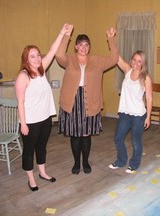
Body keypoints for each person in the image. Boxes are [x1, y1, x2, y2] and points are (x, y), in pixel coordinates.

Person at [15, 23, 73, 191]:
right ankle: (31, 178)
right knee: (29, 150)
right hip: (30, 121)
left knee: (41, 147)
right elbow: (20, 102)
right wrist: (23, 124)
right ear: (26, 60)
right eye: (32, 56)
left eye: (38, 55)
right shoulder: (23, 76)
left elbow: (53, 50)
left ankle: (42, 172)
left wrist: (62, 32)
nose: (37, 59)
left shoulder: (41, 71)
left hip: (45, 118)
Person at [55, 27, 119, 175]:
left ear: (89, 47)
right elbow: (58, 54)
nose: (84, 47)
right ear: (76, 46)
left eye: (87, 45)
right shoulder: (69, 59)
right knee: (75, 134)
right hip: (72, 101)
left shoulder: (97, 61)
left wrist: (111, 39)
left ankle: (85, 162)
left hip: (90, 101)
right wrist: (66, 35)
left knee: (85, 134)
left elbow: (114, 59)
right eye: (81, 44)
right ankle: (76, 162)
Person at [109, 50, 153, 174]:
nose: (136, 63)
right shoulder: (127, 70)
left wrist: (148, 117)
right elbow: (116, 56)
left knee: (136, 141)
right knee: (118, 138)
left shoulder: (146, 78)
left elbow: (149, 97)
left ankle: (134, 164)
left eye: (139, 61)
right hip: (125, 113)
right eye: (134, 60)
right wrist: (111, 38)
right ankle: (121, 160)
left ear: (143, 63)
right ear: (131, 60)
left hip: (138, 115)